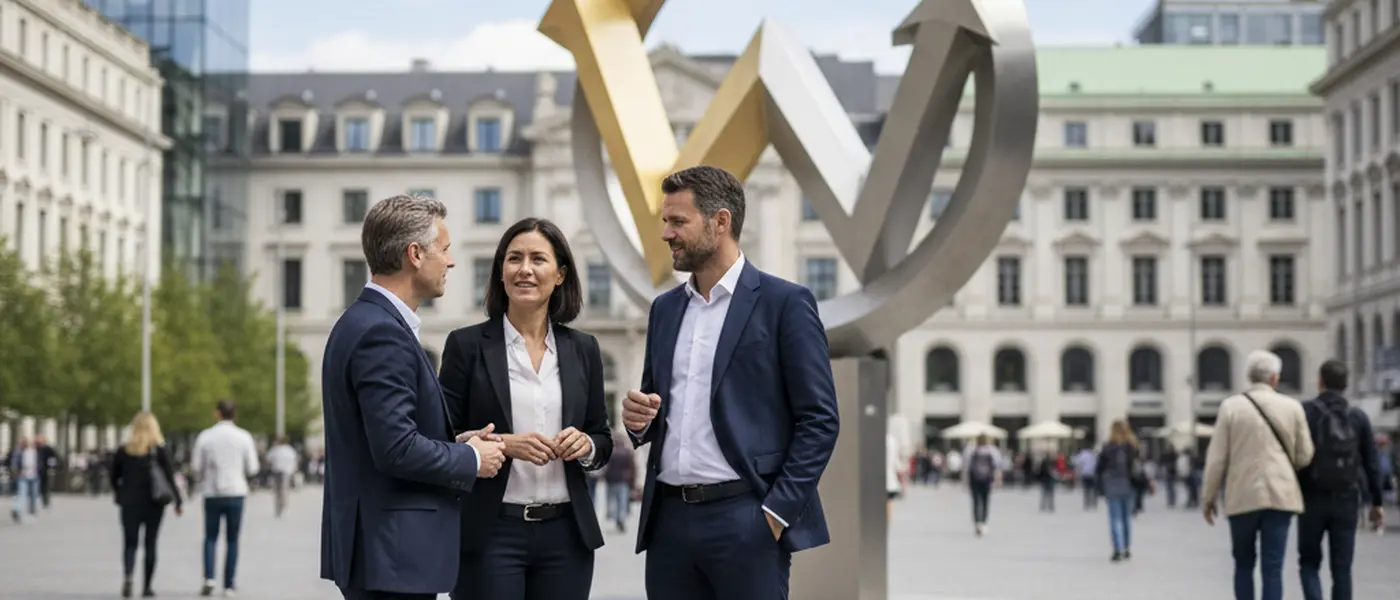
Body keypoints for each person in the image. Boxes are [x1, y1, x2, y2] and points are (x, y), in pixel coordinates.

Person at [620, 165, 841, 600]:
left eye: (677, 221)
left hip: (746, 520)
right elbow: (653, 408)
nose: (666, 234)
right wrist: (638, 420)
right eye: (665, 221)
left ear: (720, 222)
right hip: (668, 525)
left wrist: (776, 512)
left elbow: (820, 419)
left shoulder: (786, 304)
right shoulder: (664, 310)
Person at [320, 193, 506, 600]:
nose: (451, 261)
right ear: (415, 254)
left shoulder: (366, 322)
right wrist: (473, 459)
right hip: (392, 555)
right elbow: (394, 449)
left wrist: (454, 441)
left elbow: (384, 435)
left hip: (384, 554)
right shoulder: (380, 332)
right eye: (444, 248)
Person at [440, 218, 614, 600]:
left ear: (560, 274)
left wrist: (584, 445)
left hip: (567, 537)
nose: (525, 269)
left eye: (538, 259)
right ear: (501, 273)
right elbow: (440, 439)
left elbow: (602, 437)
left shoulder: (583, 349)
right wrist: (502, 444)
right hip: (491, 533)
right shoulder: (466, 346)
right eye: (514, 258)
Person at [1201, 350, 1314, 600]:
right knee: (1272, 567)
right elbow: (1305, 454)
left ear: (1249, 377)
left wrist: (1208, 498)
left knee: (1243, 564)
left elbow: (1217, 458)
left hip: (1242, 495)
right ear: (1275, 378)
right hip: (1280, 496)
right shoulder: (1292, 407)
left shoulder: (1231, 407)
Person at [1297, 359, 1386, 600]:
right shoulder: (1358, 417)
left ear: (1320, 381)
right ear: (1346, 384)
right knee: (1342, 568)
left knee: (1308, 563)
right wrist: (1377, 503)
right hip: (1347, 498)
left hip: (1311, 497)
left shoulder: (1305, 412)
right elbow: (1371, 463)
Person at [192, 400, 260, 597]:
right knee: (232, 539)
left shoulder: (206, 437)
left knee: (210, 537)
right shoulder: (244, 437)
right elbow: (253, 468)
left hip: (212, 492)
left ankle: (209, 578)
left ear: (217, 413)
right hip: (236, 491)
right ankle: (229, 584)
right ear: (234, 414)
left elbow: (196, 466)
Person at [111, 412, 183, 598]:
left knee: (130, 543)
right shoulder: (159, 450)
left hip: (129, 502)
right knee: (151, 543)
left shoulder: (124, 450)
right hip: (154, 502)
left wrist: (119, 492)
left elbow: (114, 476)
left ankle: (128, 576)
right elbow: (169, 476)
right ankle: (147, 587)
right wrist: (178, 501)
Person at [1097, 420, 1141, 562]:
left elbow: (1099, 469)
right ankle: (1127, 548)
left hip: (1111, 486)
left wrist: (1100, 488)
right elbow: (1137, 467)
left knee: (1115, 519)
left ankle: (1117, 549)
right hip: (1128, 485)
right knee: (1126, 519)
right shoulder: (1131, 447)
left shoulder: (1107, 447)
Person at [964, 435, 1002, 536]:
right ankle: (984, 522)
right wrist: (998, 480)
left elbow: (966, 466)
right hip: (987, 479)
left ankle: (977, 523)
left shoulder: (971, 450)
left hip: (975, 479)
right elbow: (997, 466)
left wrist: (964, 481)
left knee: (976, 501)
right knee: (986, 501)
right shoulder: (992, 450)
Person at [7, 437, 40, 523]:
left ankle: (32, 511)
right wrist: (17, 473)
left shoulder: (36, 452)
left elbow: (40, 463)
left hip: (34, 476)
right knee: (22, 494)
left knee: (33, 495)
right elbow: (14, 464)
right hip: (23, 476)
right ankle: (16, 510)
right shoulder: (20, 452)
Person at [266, 437, 299, 518]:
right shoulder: (290, 450)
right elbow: (295, 461)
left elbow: (268, 459)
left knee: (277, 491)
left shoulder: (275, 449)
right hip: (287, 472)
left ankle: (278, 508)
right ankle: (284, 507)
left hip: (277, 471)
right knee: (284, 490)